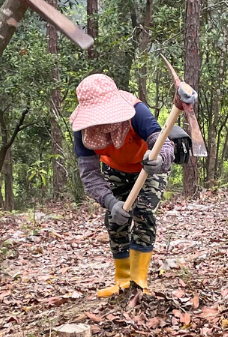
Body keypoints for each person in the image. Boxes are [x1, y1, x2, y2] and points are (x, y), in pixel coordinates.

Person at [68, 73, 186, 297]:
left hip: (149, 167)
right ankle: (122, 280)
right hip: (115, 169)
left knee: (142, 212)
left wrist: (159, 159)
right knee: (115, 219)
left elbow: (164, 143)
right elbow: (90, 174)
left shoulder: (137, 112)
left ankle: (139, 280)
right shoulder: (81, 131)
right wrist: (111, 203)